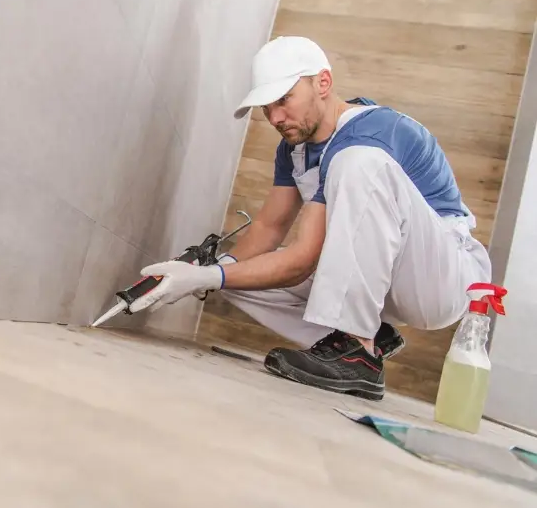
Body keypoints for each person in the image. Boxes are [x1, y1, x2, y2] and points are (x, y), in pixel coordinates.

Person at [129, 36, 491, 401]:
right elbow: (270, 227)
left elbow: (303, 260)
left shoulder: (373, 131)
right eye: (266, 108)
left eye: (284, 100)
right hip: (387, 275)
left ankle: (358, 352)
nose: (275, 118)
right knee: (234, 276)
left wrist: (206, 275)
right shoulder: (294, 149)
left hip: (443, 276)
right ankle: (372, 334)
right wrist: (202, 274)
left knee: (358, 162)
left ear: (323, 83)